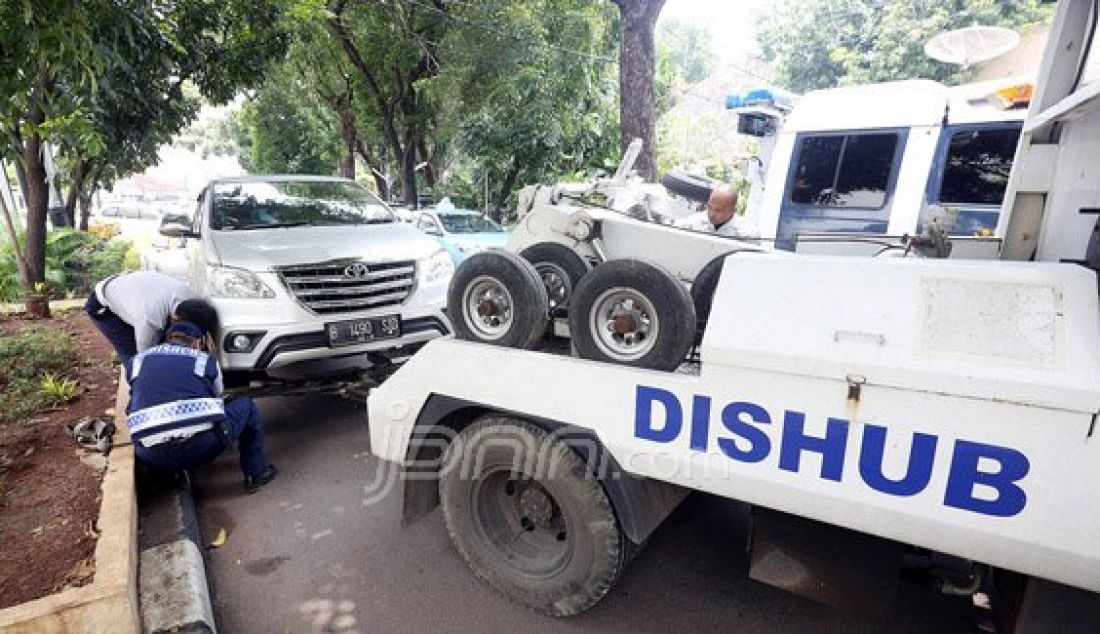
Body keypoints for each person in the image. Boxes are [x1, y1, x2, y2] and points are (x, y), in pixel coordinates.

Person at [126, 320, 277, 493]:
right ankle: (256, 474)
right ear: (198, 343)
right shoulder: (203, 360)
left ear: (168, 338)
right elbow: (218, 397)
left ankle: (163, 478)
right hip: (200, 448)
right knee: (246, 406)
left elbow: (136, 396)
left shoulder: (137, 361)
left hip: (150, 456)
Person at [84, 270, 217, 369]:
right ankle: (138, 399)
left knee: (170, 346)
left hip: (135, 293)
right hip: (104, 305)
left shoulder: (193, 300)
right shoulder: (150, 321)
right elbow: (145, 361)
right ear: (174, 319)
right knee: (135, 360)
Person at [678, 184, 758, 238]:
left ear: (733, 210)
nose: (712, 214)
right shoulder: (693, 223)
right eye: (709, 207)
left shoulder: (747, 234)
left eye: (718, 210)